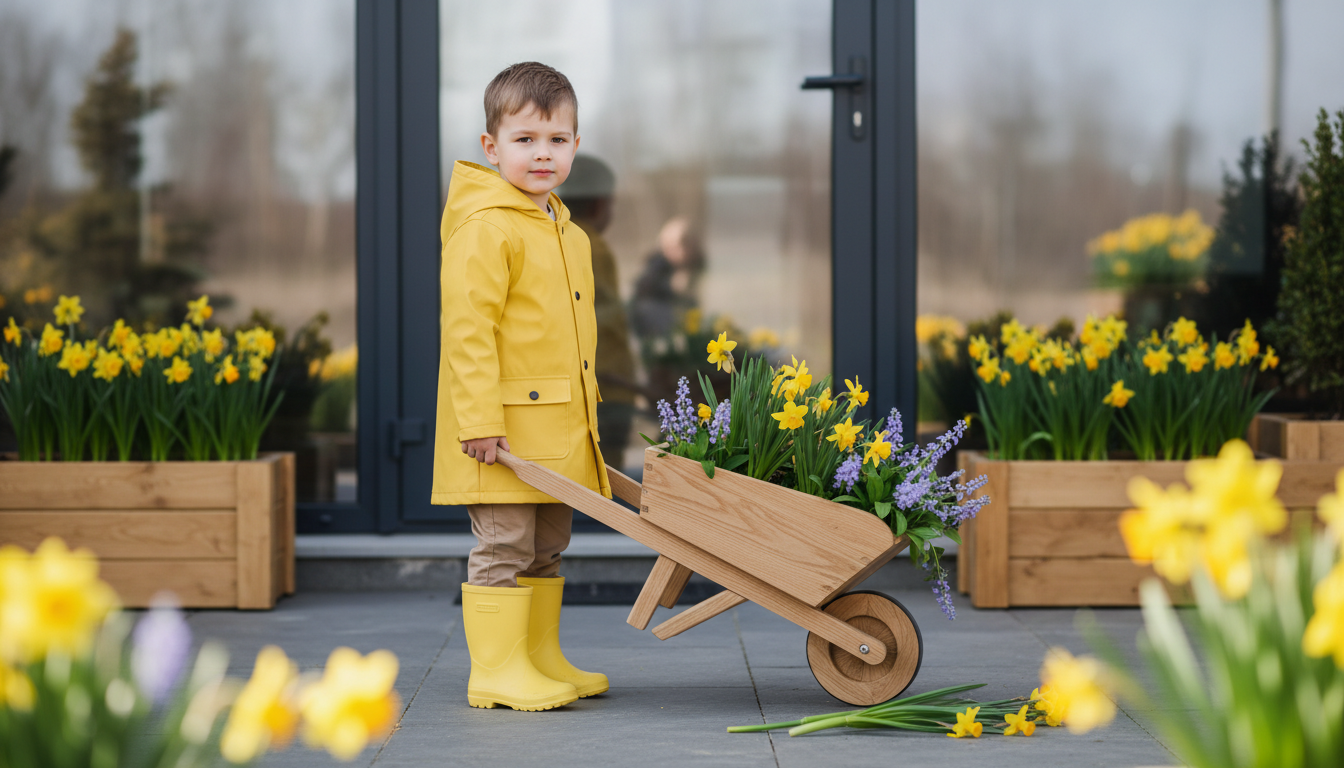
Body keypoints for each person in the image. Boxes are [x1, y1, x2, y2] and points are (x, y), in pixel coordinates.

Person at [432, 62, 610, 712]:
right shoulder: (488, 226)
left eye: (557, 140)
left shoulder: (565, 230)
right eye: (526, 139)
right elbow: (468, 332)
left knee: (547, 544)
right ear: (491, 147)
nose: (543, 153)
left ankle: (539, 657)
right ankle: (497, 671)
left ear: (575, 146)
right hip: (501, 434)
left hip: (556, 431)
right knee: (505, 543)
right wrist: (477, 419)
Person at [555, 155, 637, 468]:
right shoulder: (591, 246)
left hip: (577, 389)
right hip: (605, 391)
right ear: (602, 204)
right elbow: (597, 318)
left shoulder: (557, 238)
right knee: (604, 486)